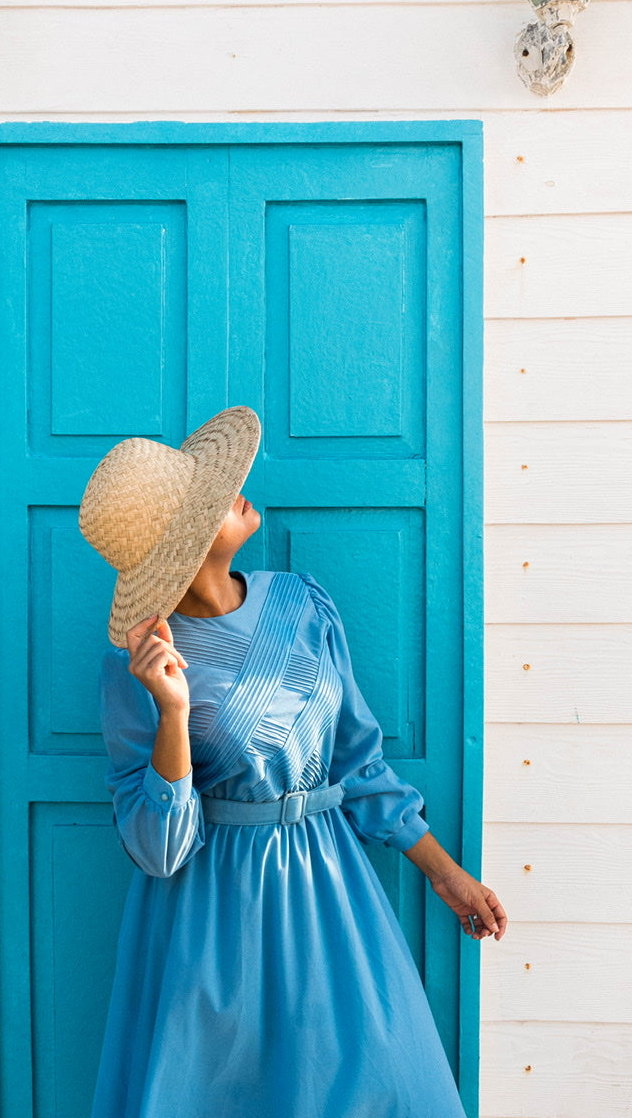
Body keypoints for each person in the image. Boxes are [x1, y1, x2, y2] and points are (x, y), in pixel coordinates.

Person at [79, 405, 507, 1118]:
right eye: (206, 499)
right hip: (210, 914)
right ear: (178, 546)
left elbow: (357, 761)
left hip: (329, 888)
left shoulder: (302, 599)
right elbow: (157, 850)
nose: (235, 489)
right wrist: (174, 713)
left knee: (388, 1082)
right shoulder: (133, 670)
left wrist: (445, 873)